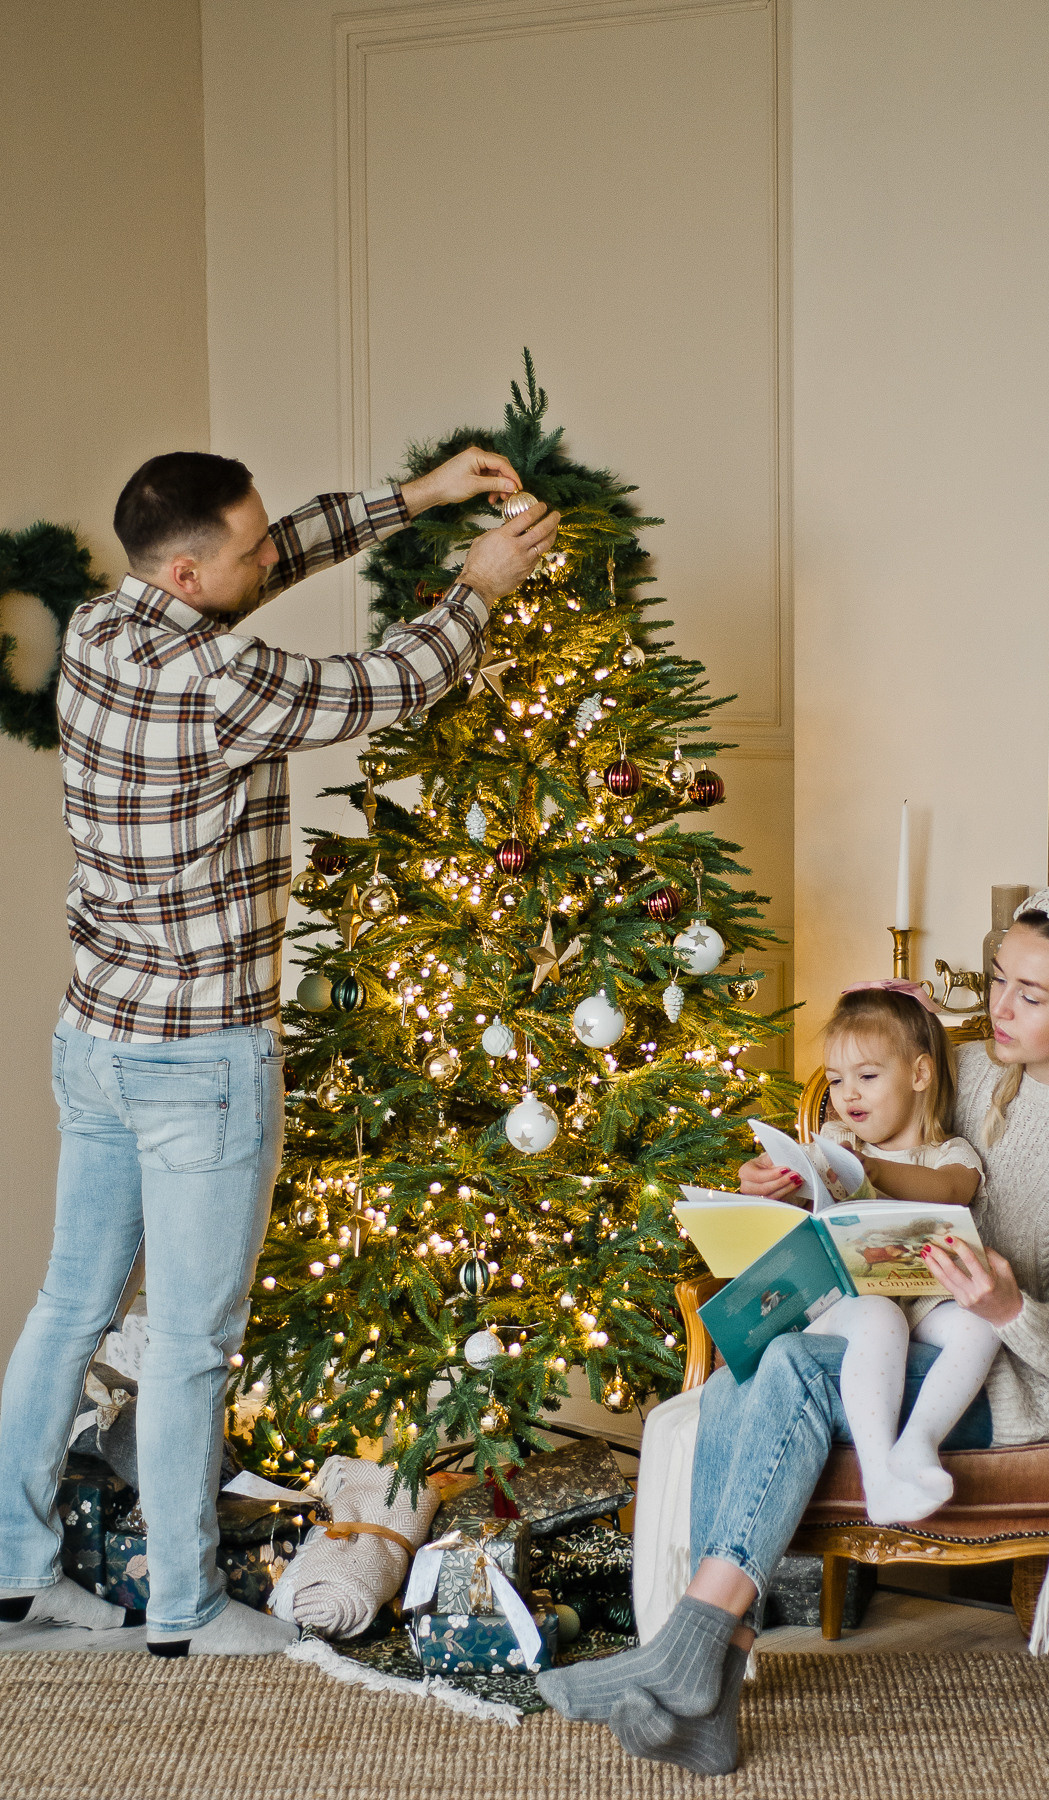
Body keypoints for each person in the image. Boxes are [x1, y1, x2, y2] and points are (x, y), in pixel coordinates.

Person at [0, 446, 559, 1657]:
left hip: (92, 1035)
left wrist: (411, 500)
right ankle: (187, 1612)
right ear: (192, 571)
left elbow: (266, 561)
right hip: (197, 1060)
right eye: (247, 548)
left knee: (66, 1307)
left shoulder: (110, 620)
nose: (270, 554)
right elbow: (387, 684)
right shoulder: (220, 674)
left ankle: (13, 1572)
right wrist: (476, 587)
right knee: (197, 1341)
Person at [536, 888, 1049, 1774]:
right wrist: (806, 1177)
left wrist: (1004, 1306)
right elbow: (876, 1101)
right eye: (998, 980)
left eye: (1031, 997)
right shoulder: (978, 1068)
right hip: (900, 1328)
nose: (997, 1008)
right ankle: (708, 1687)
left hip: (999, 1378)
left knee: (798, 1364)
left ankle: (690, 1653)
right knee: (752, 1360)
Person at [797, 982, 995, 1525]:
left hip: (925, 1300)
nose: (847, 1094)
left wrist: (874, 1172)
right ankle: (878, 1475)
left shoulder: (949, 1153)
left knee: (981, 1325)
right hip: (849, 1301)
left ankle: (918, 1443)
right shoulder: (836, 1140)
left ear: (919, 1074)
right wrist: (770, 1180)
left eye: (866, 1076)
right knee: (882, 1318)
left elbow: (952, 1191)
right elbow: (799, 1186)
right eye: (836, 1080)